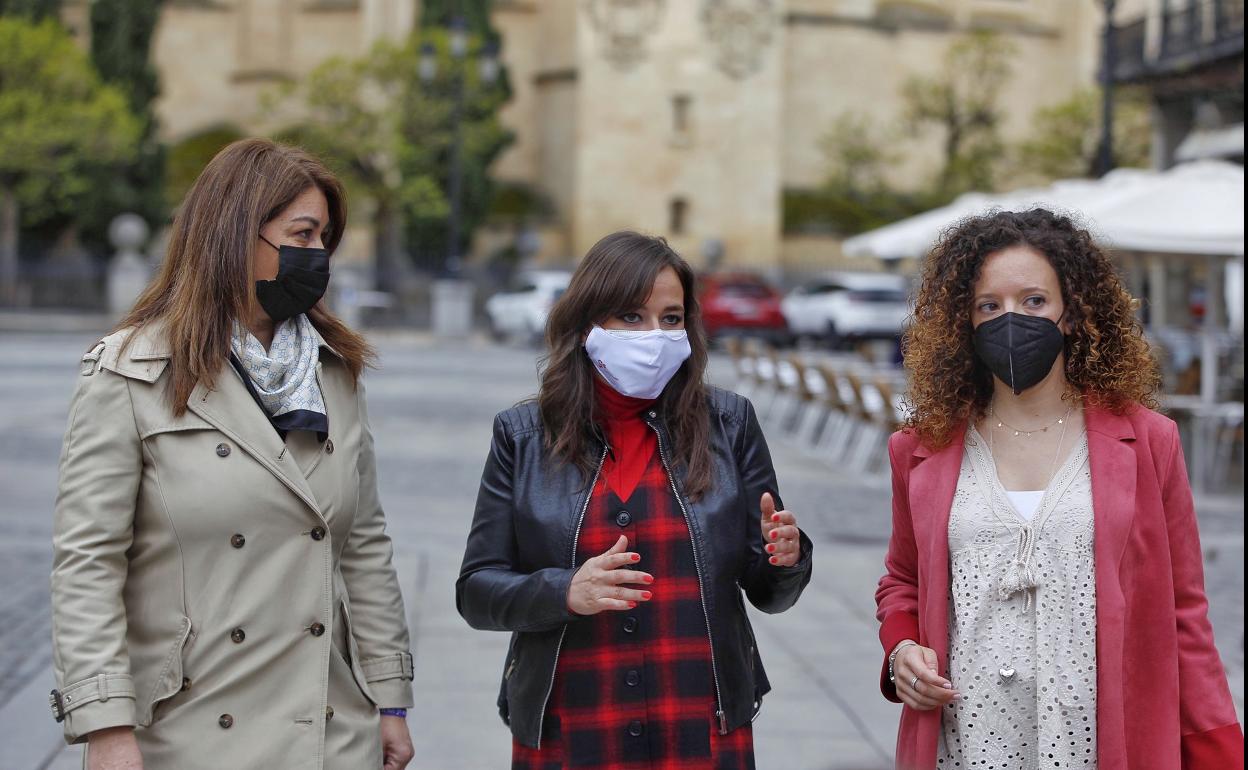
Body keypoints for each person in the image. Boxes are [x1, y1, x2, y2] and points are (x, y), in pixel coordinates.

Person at [50, 139, 416, 770]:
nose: (317, 255)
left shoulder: (335, 373)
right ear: (232, 234)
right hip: (189, 731)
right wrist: (106, 727)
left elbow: (364, 547)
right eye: (301, 234)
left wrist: (390, 700)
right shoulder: (130, 373)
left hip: (330, 731)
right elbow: (88, 562)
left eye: (325, 238)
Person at [875, 209, 1243, 769]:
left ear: (1072, 313)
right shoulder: (920, 449)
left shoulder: (1149, 442)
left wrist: (1218, 748)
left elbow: (1184, 611)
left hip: (1101, 741)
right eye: (989, 307)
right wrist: (901, 650)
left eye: (1034, 301)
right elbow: (902, 579)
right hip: (965, 743)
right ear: (963, 322)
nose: (1011, 320)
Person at [457, 231, 813, 769]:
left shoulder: (730, 423)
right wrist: (564, 590)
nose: (654, 335)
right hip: (572, 718)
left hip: (699, 716)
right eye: (631, 316)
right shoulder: (523, 435)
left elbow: (768, 590)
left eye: (671, 319)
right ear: (585, 325)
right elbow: (477, 591)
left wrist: (786, 558)